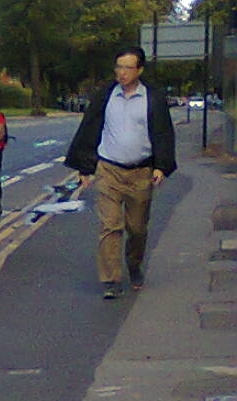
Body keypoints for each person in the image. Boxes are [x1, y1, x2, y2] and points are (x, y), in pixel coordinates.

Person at [64, 46, 177, 299]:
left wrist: (161, 166)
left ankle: (134, 265)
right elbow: (89, 129)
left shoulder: (153, 98)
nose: (122, 73)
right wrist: (85, 168)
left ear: (139, 70)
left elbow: (163, 133)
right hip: (109, 170)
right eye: (118, 67)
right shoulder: (105, 95)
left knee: (136, 228)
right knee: (110, 225)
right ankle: (111, 280)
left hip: (140, 172)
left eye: (127, 68)